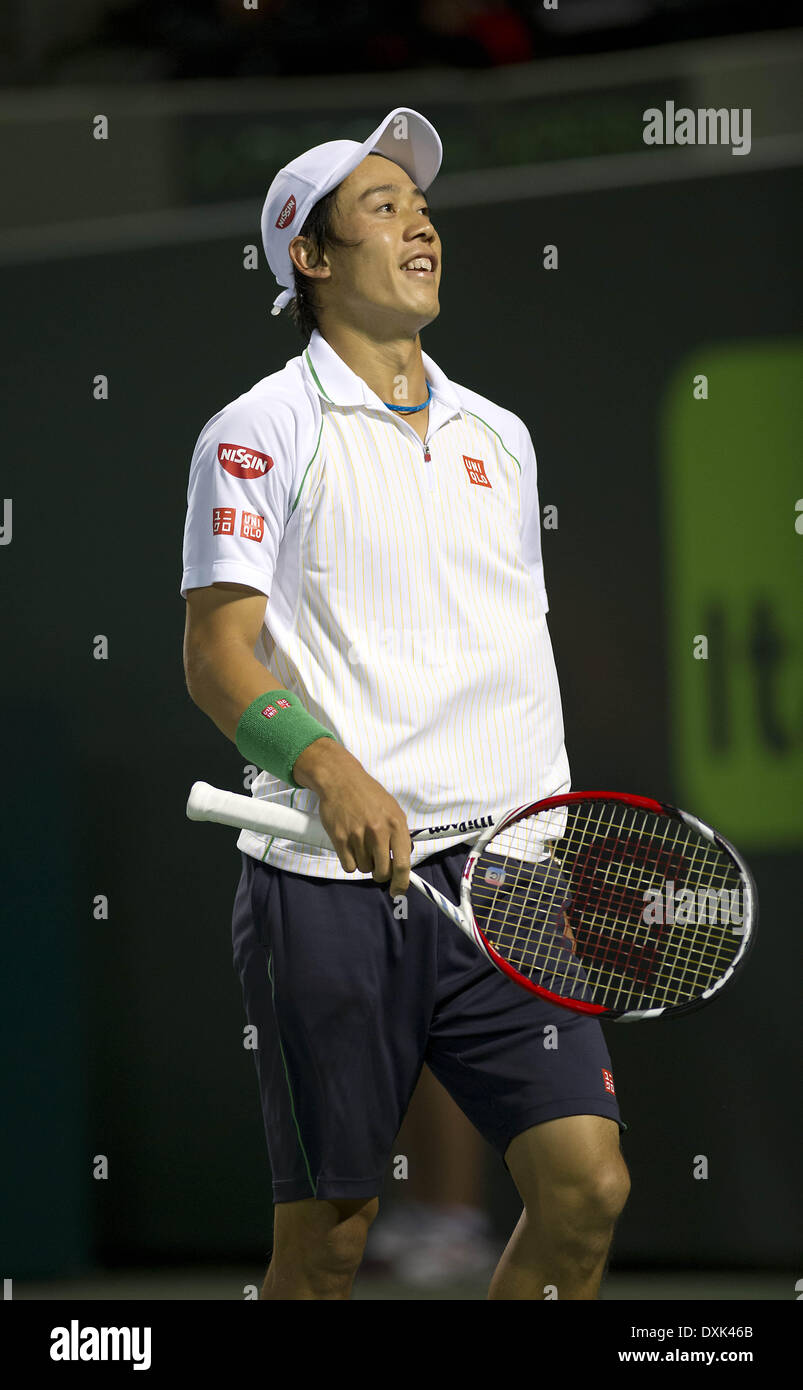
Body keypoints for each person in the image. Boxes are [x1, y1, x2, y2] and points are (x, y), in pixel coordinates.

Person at [180, 106, 630, 1300]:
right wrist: (329, 768)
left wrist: (546, 823)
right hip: (330, 889)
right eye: (381, 208)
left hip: (510, 879)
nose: (419, 224)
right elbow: (219, 656)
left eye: (421, 206)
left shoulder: (505, 437)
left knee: (585, 1187)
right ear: (310, 260)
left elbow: (497, 646)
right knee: (330, 1243)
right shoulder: (257, 431)